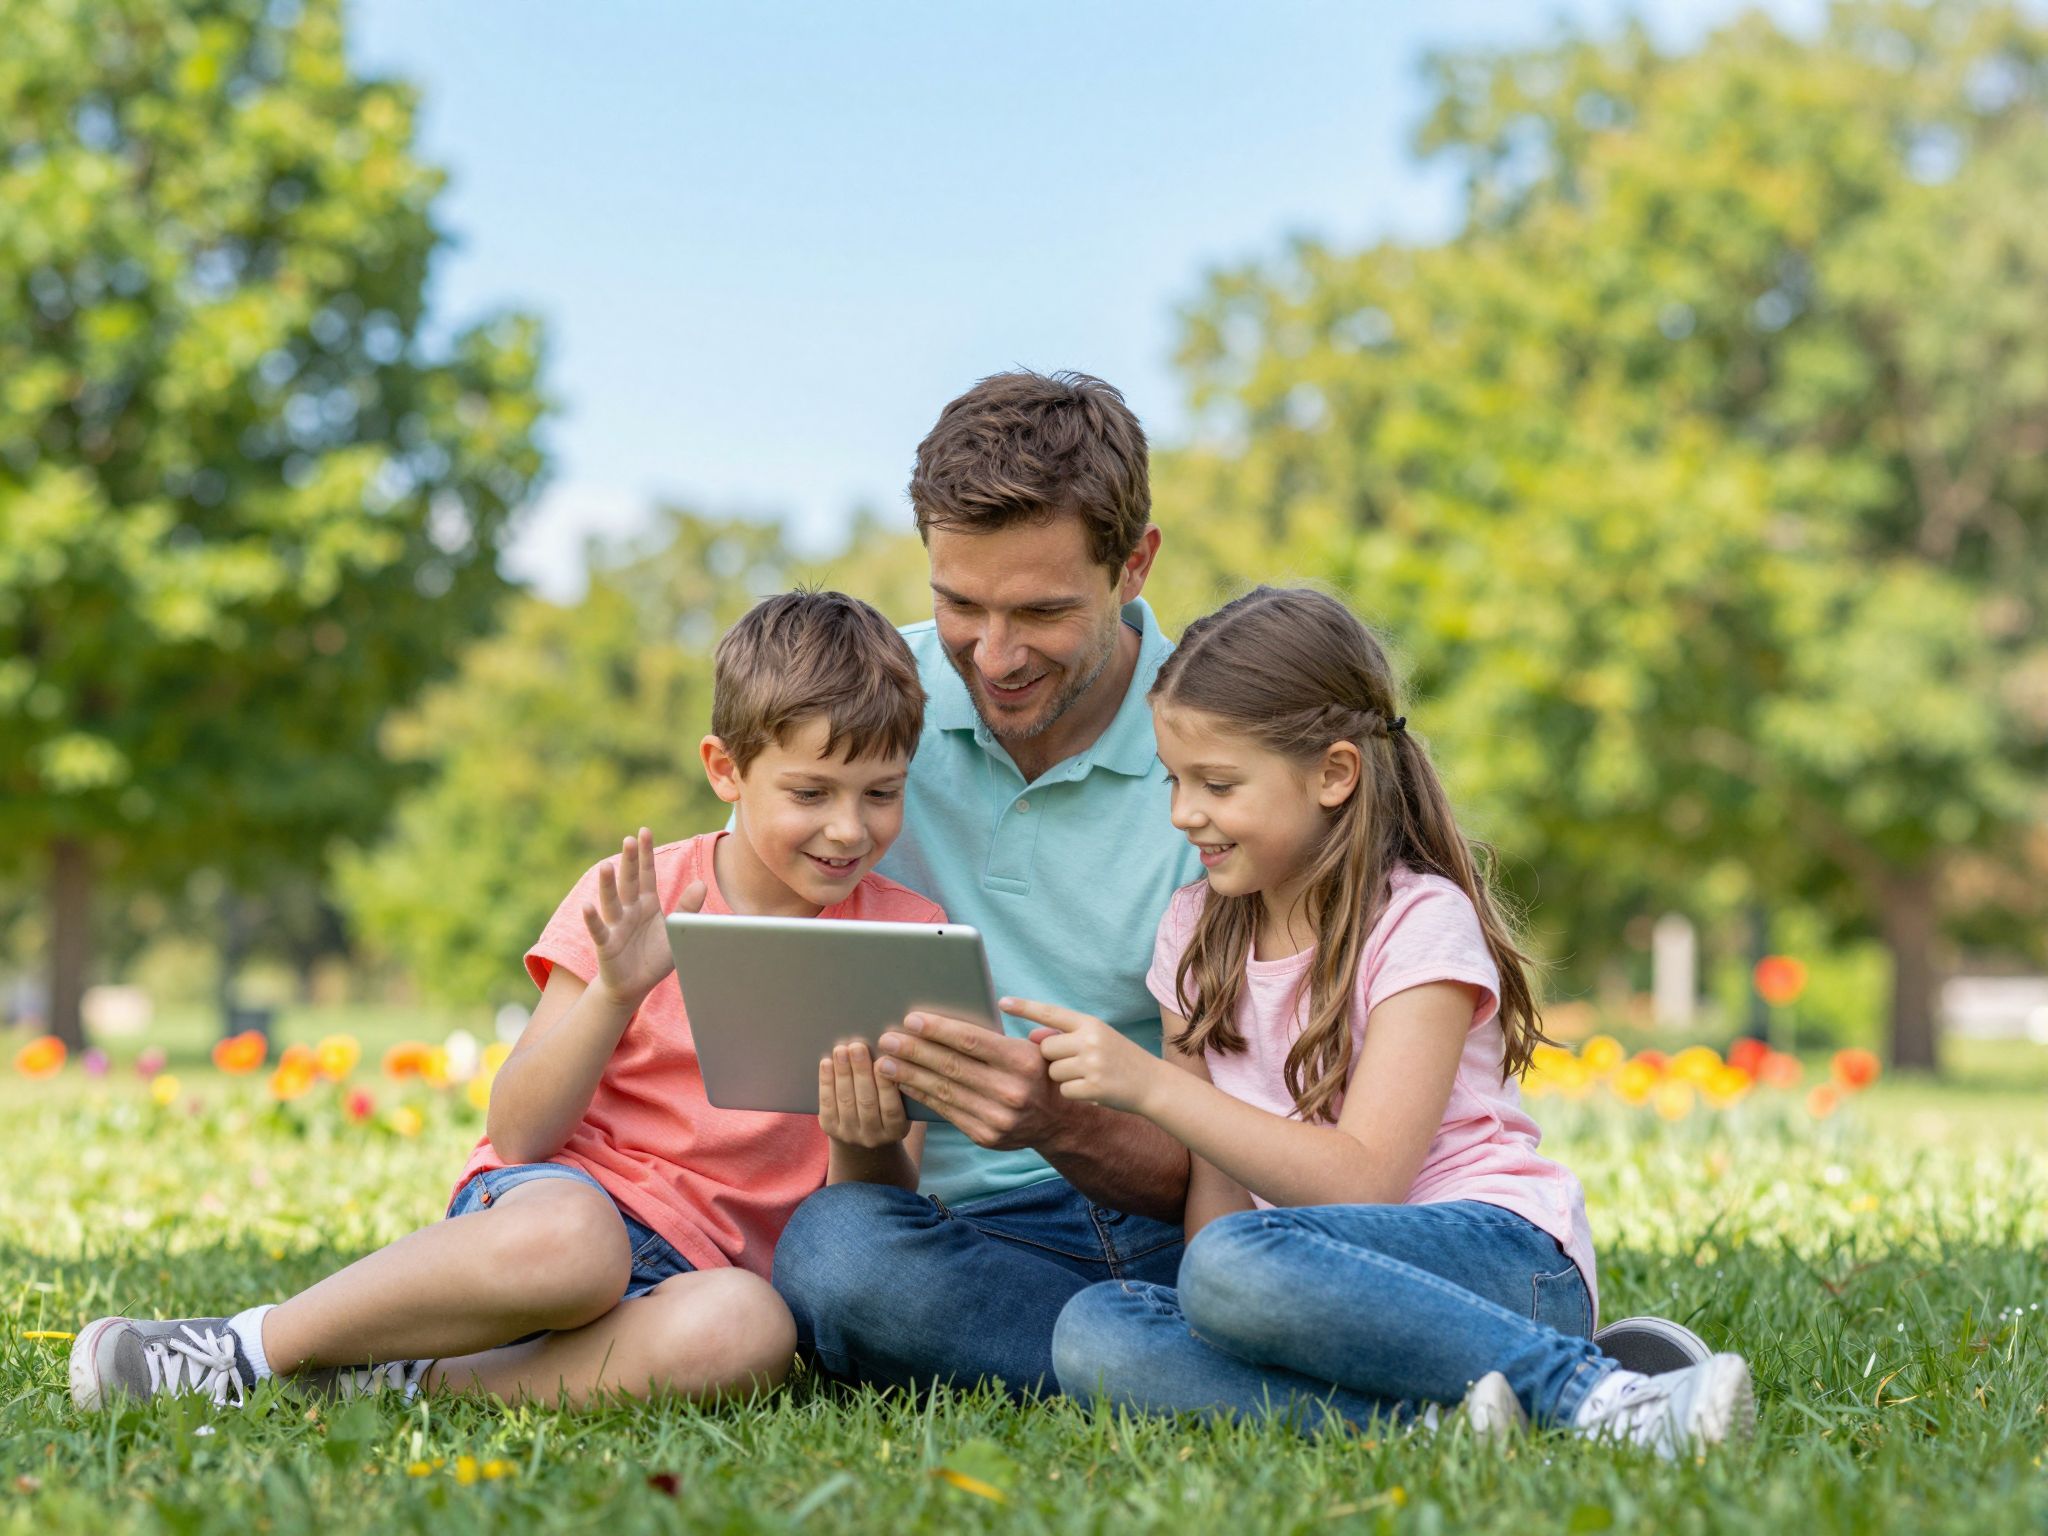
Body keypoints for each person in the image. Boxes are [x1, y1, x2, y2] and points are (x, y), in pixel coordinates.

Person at [70, 591, 939, 1412]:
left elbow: (877, 1201)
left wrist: (859, 1136)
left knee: (753, 1329)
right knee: (579, 1248)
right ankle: (249, 1348)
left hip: (698, 1282)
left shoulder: (908, 941)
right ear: (726, 769)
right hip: (562, 1212)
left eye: (882, 794)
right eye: (811, 793)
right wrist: (614, 990)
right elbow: (519, 1130)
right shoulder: (637, 894)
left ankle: (408, 1383)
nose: (849, 829)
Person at [1010, 587, 1753, 1454]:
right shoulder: (1192, 931)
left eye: (1217, 783)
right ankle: (1444, 1421)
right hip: (1303, 1274)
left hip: (1497, 1259)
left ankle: (1593, 1390)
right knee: (1095, 1330)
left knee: (1225, 1266)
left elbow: (1363, 1184)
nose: (1183, 814)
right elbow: (1218, 1196)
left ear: (1333, 773)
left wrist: (1147, 1090)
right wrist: (1233, 1308)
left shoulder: (1417, 923)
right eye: (1174, 780)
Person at [770, 371, 1201, 1394]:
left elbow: (1230, 1157)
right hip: (921, 1223)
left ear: (1133, 565)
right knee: (832, 1256)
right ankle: (1163, 1359)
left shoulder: (1218, 755)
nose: (993, 656)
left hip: (1163, 1227)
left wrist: (1057, 1120)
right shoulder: (872, 706)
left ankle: (1165, 1347)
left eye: (1041, 612)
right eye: (958, 604)